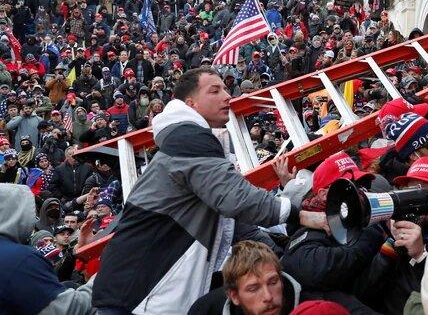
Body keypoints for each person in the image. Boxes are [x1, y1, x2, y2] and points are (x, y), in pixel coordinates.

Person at [92, 68, 323, 314]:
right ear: (190, 104)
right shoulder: (189, 139)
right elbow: (236, 197)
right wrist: (297, 212)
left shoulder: (185, 139)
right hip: (138, 292)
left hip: (133, 287)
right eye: (215, 91)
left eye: (225, 89)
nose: (227, 96)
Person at [356, 157, 428, 314]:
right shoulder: (389, 230)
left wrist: (421, 256)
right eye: (409, 190)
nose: (413, 197)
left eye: (423, 191)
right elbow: (364, 296)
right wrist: (390, 247)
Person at [279, 152, 383, 313]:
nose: (360, 192)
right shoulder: (307, 233)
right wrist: (372, 232)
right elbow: (317, 268)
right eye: (350, 186)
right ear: (324, 194)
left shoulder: (368, 216)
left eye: (362, 185)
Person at [0, 183, 93, 314]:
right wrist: (99, 280)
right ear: (19, 213)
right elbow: (68, 309)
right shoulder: (20, 258)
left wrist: (75, 252)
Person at [188, 240, 301, 315]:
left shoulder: (312, 306)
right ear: (235, 296)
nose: (268, 296)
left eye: (273, 282)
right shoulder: (205, 310)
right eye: (253, 289)